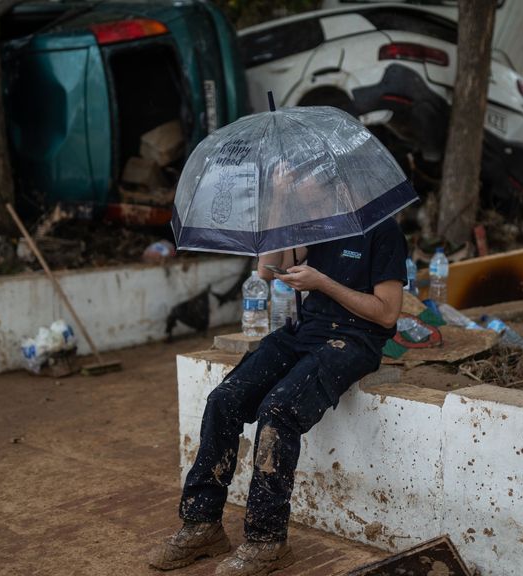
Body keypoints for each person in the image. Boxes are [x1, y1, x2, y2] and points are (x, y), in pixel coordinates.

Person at [148, 217, 407, 575]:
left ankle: (267, 541)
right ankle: (201, 524)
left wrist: (322, 283)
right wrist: (281, 213)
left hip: (354, 339)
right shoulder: (314, 222)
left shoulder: (383, 230)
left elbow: (388, 312)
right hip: (303, 331)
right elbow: (267, 271)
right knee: (224, 399)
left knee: (279, 409)